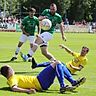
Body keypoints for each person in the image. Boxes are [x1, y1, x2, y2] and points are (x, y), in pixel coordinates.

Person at [0, 61, 86, 94]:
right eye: (11, 68)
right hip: (39, 81)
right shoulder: (12, 79)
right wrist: (28, 91)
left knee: (59, 64)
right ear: (8, 72)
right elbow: (14, 88)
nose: (12, 69)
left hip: (42, 83)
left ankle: (72, 82)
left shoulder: (12, 78)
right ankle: (63, 85)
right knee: (57, 63)